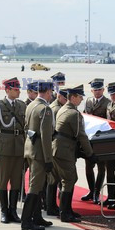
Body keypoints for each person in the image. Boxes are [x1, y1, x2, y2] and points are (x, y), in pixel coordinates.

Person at [52, 84, 96, 223]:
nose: (82, 99)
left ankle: (67, 210)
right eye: (80, 96)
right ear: (73, 97)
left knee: (70, 179)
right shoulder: (74, 114)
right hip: (65, 150)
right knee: (69, 180)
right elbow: (81, 135)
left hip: (59, 148)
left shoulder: (64, 108)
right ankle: (65, 213)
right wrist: (90, 154)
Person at [0, 77, 26, 224]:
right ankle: (4, 211)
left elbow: (26, 129)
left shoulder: (22, 106)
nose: (18, 91)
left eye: (18, 89)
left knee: (16, 181)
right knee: (3, 181)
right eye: (16, 89)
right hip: (5, 147)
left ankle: (13, 211)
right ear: (7, 90)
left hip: (19, 147)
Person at [21, 81, 54, 230]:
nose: (52, 94)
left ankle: (37, 217)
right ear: (47, 92)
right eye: (51, 92)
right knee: (35, 187)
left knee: (37, 185)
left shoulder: (30, 105)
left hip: (29, 149)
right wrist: (48, 159)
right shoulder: (45, 109)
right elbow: (46, 137)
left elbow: (27, 128)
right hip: (39, 153)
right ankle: (26, 221)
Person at [81, 78, 109, 204]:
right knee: (88, 167)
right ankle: (91, 191)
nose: (97, 92)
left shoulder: (107, 103)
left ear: (103, 90)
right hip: (89, 139)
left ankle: (97, 193)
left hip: (102, 140)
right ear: (91, 90)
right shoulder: (88, 101)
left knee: (101, 168)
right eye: (95, 90)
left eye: (99, 89)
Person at [45, 87, 67, 216]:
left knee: (52, 179)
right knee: (53, 179)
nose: (67, 100)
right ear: (59, 97)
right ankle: (51, 206)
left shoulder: (55, 107)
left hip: (52, 146)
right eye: (65, 98)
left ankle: (51, 205)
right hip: (55, 146)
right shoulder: (57, 109)